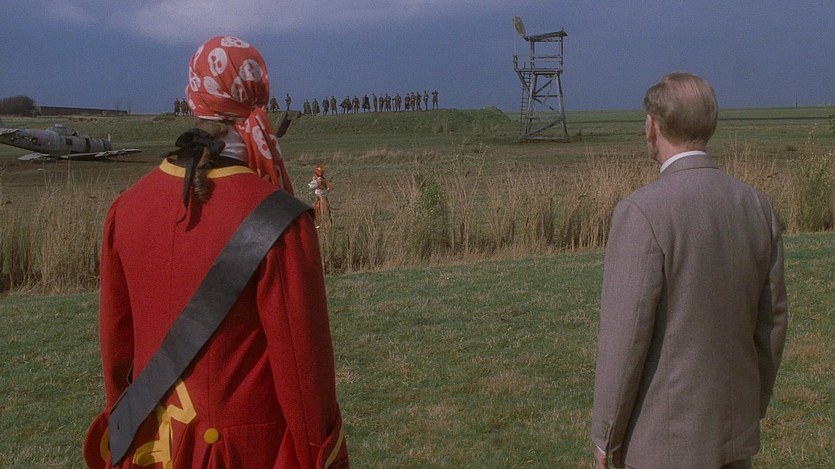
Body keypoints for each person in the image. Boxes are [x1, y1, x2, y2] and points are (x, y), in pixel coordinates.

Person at [83, 35, 349, 469]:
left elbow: (117, 352)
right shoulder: (280, 221)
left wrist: (124, 431)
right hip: (241, 455)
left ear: (195, 98)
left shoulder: (126, 209)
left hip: (148, 448)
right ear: (258, 96)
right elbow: (305, 382)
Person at [591, 72, 787, 469]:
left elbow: (624, 339)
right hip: (734, 437)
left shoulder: (641, 212)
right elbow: (772, 323)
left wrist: (606, 434)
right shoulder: (756, 206)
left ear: (653, 126)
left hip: (661, 444)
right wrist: (750, 408)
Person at [308, 163, 334, 228]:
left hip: (322, 197)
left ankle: (325, 224)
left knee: (323, 210)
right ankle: (319, 223)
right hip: (319, 197)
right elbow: (311, 186)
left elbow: (330, 187)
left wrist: (325, 190)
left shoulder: (321, 180)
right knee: (318, 209)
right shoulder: (320, 180)